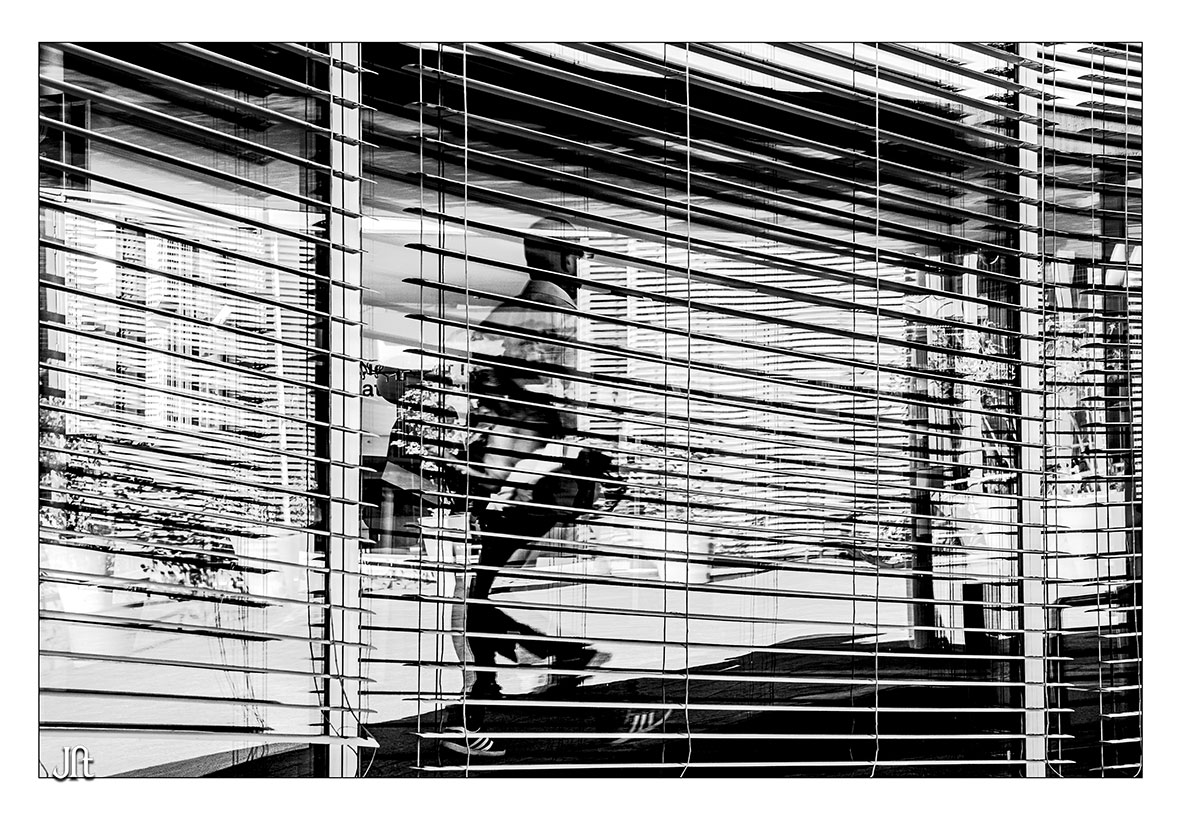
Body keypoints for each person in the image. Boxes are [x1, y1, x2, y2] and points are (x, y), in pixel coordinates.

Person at [440, 217, 611, 757]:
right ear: (561, 256)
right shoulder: (549, 309)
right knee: (471, 600)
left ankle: (488, 701)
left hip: (518, 480)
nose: (585, 265)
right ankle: (546, 662)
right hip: (523, 481)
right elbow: (540, 404)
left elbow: (507, 397)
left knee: (470, 601)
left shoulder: (526, 308)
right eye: (579, 254)